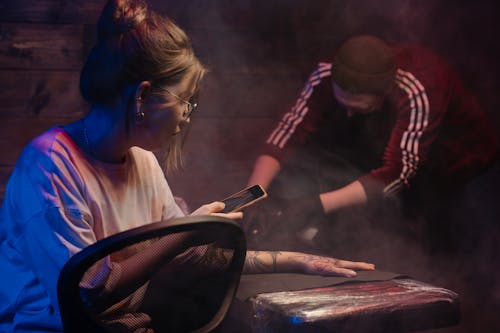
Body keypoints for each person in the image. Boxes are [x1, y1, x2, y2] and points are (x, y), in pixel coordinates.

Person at [0, 1, 374, 332]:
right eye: (185, 101)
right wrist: (186, 230)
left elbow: (186, 252)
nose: (187, 116)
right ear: (144, 96)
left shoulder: (142, 161)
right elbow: (88, 292)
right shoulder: (50, 165)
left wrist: (296, 261)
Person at [245, 35, 500, 281]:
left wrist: (314, 205)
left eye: (359, 108)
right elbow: (287, 134)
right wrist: (250, 197)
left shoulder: (420, 85)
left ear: (385, 92)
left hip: (465, 168)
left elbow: (397, 173)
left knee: (462, 268)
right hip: (415, 166)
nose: (348, 113)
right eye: (342, 103)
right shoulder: (326, 72)